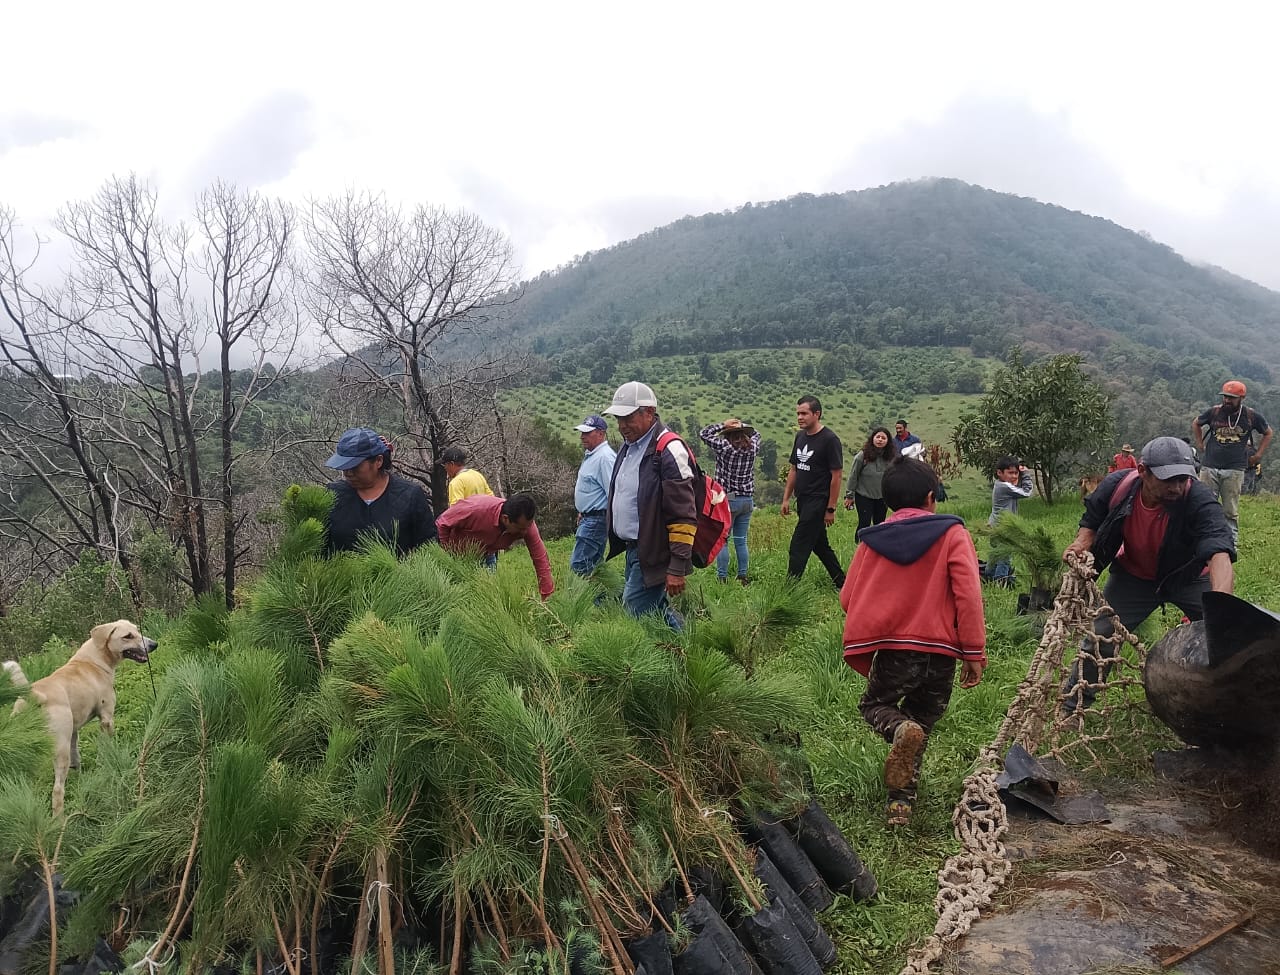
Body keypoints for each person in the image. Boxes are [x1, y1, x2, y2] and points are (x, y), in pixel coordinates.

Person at [840, 457, 986, 826]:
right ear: (930, 496)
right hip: (940, 653)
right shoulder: (953, 534)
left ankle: (899, 733)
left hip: (895, 651)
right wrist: (973, 650)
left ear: (887, 500)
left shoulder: (873, 539)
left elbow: (848, 597)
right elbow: (968, 594)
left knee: (876, 705)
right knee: (922, 720)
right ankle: (900, 804)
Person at [1062, 436, 1235, 711]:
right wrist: (1081, 545)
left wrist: (1221, 607)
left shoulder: (1199, 499)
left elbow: (1219, 552)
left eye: (1182, 479)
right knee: (1101, 639)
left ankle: (1229, 708)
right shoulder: (1117, 487)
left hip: (1189, 578)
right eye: (1168, 480)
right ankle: (1074, 708)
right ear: (1142, 471)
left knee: (1228, 640)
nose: (1177, 487)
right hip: (1133, 577)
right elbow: (1091, 523)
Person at [602, 381, 697, 630]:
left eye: (628, 417)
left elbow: (683, 514)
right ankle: (686, 649)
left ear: (649, 413)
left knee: (635, 612)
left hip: (656, 552)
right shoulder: (628, 446)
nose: (622, 425)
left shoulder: (668, 449)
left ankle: (659, 662)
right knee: (653, 610)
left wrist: (677, 566)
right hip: (636, 550)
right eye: (618, 418)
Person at [324, 427, 437, 555]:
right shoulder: (333, 495)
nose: (348, 473)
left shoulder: (410, 496)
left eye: (355, 466)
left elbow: (428, 546)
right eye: (344, 467)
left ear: (378, 461)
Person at [1191, 380, 1272, 546]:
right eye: (1225, 396)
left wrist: (1257, 455)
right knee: (1205, 504)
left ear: (1241, 398)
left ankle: (1231, 544)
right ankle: (1202, 539)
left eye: (1232, 398)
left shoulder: (1250, 416)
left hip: (1235, 468)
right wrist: (1199, 443)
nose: (1227, 400)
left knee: (1230, 509)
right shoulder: (1214, 412)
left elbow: (1268, 433)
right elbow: (1196, 423)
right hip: (1209, 466)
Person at [435, 492, 555, 600]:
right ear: (505, 519)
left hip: (486, 554)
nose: (525, 533)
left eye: (527, 527)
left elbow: (540, 558)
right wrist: (448, 557)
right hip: (456, 556)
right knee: (455, 597)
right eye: (521, 529)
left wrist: (547, 597)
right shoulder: (476, 508)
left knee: (486, 598)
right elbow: (442, 523)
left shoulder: (526, 524)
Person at [781, 396, 845, 589]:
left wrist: (831, 508)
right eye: (798, 413)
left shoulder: (830, 440)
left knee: (798, 546)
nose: (800, 417)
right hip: (803, 498)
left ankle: (789, 590)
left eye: (804, 413)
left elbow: (837, 475)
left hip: (818, 500)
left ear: (817, 414)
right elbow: (794, 469)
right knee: (820, 545)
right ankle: (843, 583)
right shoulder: (800, 437)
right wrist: (786, 498)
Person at [699, 418, 761, 584]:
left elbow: (704, 433)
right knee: (741, 540)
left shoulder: (725, 447)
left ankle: (722, 577)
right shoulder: (753, 447)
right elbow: (757, 434)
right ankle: (742, 576)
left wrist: (723, 425)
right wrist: (742, 425)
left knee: (723, 540)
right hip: (747, 499)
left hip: (729, 499)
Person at [570, 415, 617, 577]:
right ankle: (599, 601)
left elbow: (614, 492)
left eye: (587, 433)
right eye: (582, 432)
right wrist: (583, 510)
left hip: (596, 520)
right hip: (590, 517)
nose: (582, 436)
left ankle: (581, 600)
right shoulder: (593, 454)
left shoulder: (604, 458)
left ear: (601, 434)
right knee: (594, 566)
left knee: (579, 565)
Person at [988, 455, 1034, 585]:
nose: (1014, 476)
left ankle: (988, 575)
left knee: (995, 554)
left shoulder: (1000, 485)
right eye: (1010, 473)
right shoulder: (1005, 487)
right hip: (1004, 528)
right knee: (1005, 556)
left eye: (1016, 473)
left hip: (995, 525)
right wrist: (1025, 474)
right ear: (999, 473)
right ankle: (1000, 581)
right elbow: (1026, 492)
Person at [843, 426, 898, 535]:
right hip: (863, 495)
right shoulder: (862, 456)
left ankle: (877, 547)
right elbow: (853, 476)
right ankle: (859, 546)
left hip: (882, 497)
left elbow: (894, 477)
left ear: (888, 441)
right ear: (872, 438)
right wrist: (849, 496)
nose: (880, 440)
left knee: (880, 523)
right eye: (878, 437)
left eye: (883, 438)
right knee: (864, 523)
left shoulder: (891, 458)